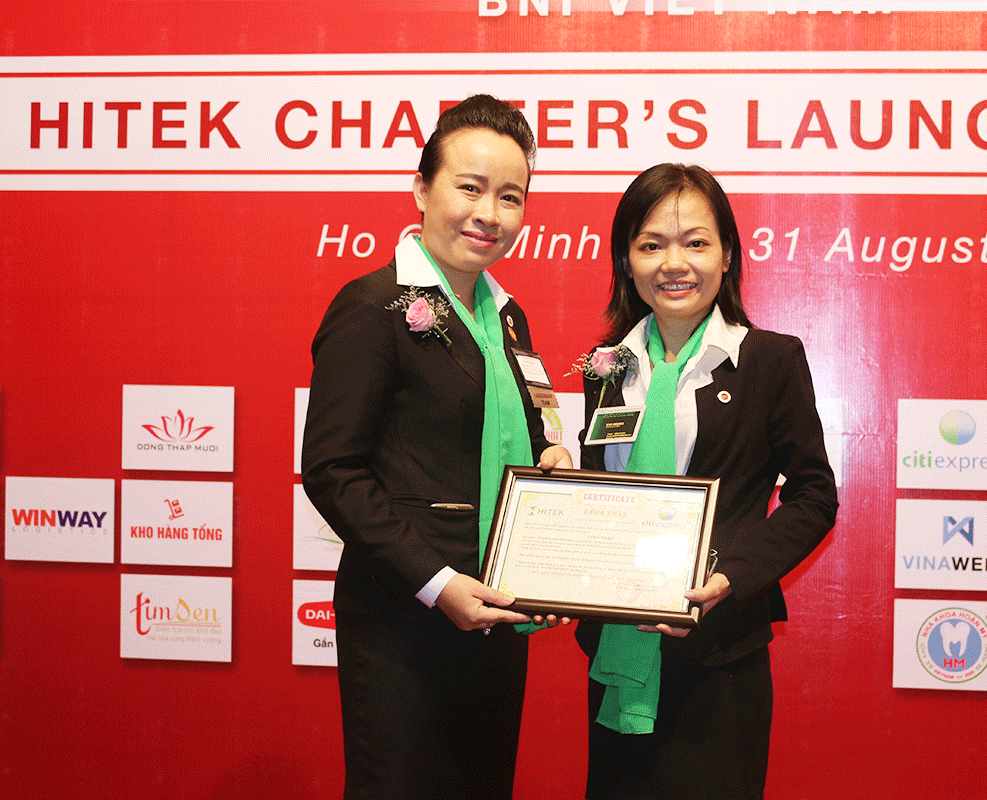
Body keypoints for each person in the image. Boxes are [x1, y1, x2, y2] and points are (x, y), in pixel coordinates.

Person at [302, 94, 572, 800]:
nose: (490, 214)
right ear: (422, 189)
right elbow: (332, 470)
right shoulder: (373, 307)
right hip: (404, 618)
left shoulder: (508, 317)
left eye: (510, 197)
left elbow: (530, 434)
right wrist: (437, 583)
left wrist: (552, 468)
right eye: (470, 188)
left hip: (494, 615)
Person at [575, 164, 838, 799]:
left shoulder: (769, 361)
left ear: (727, 255)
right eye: (651, 244)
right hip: (617, 649)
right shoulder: (606, 369)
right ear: (627, 262)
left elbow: (814, 497)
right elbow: (598, 497)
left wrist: (732, 577)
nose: (674, 264)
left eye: (695, 242)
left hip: (721, 655)